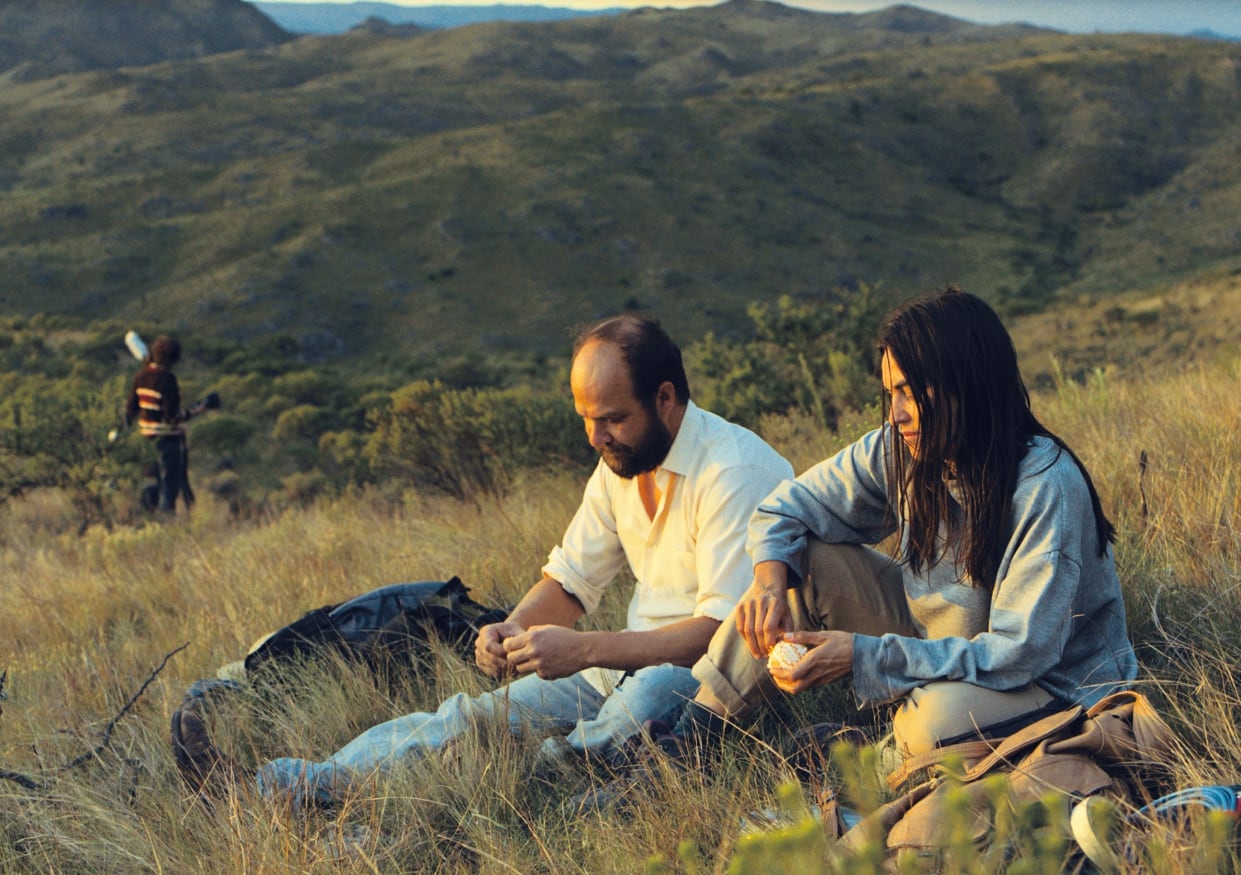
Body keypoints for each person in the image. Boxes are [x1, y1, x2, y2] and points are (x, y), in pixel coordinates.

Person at [172, 313, 794, 808]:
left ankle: (536, 779)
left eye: (611, 420)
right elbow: (570, 582)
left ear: (664, 399)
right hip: (616, 669)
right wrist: (514, 628)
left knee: (648, 699)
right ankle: (276, 788)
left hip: (714, 682)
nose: (595, 439)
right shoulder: (621, 464)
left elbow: (718, 637)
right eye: (585, 420)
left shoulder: (733, 470)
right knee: (468, 717)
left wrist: (584, 650)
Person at [585, 287, 1138, 808]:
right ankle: (691, 745)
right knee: (805, 562)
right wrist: (769, 580)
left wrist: (864, 655)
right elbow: (784, 508)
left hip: (1049, 686)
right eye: (889, 393)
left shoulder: (1046, 488)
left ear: (965, 386)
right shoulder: (901, 448)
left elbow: (1019, 655)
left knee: (937, 720)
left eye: (909, 393)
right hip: (941, 643)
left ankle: (844, 763)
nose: (895, 414)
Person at [125, 335, 195, 513]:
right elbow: (171, 416)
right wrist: (194, 411)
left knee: (151, 485)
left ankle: (146, 521)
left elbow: (131, 409)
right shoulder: (167, 379)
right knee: (169, 488)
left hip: (145, 440)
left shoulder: (141, 376)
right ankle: (166, 526)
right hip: (167, 441)